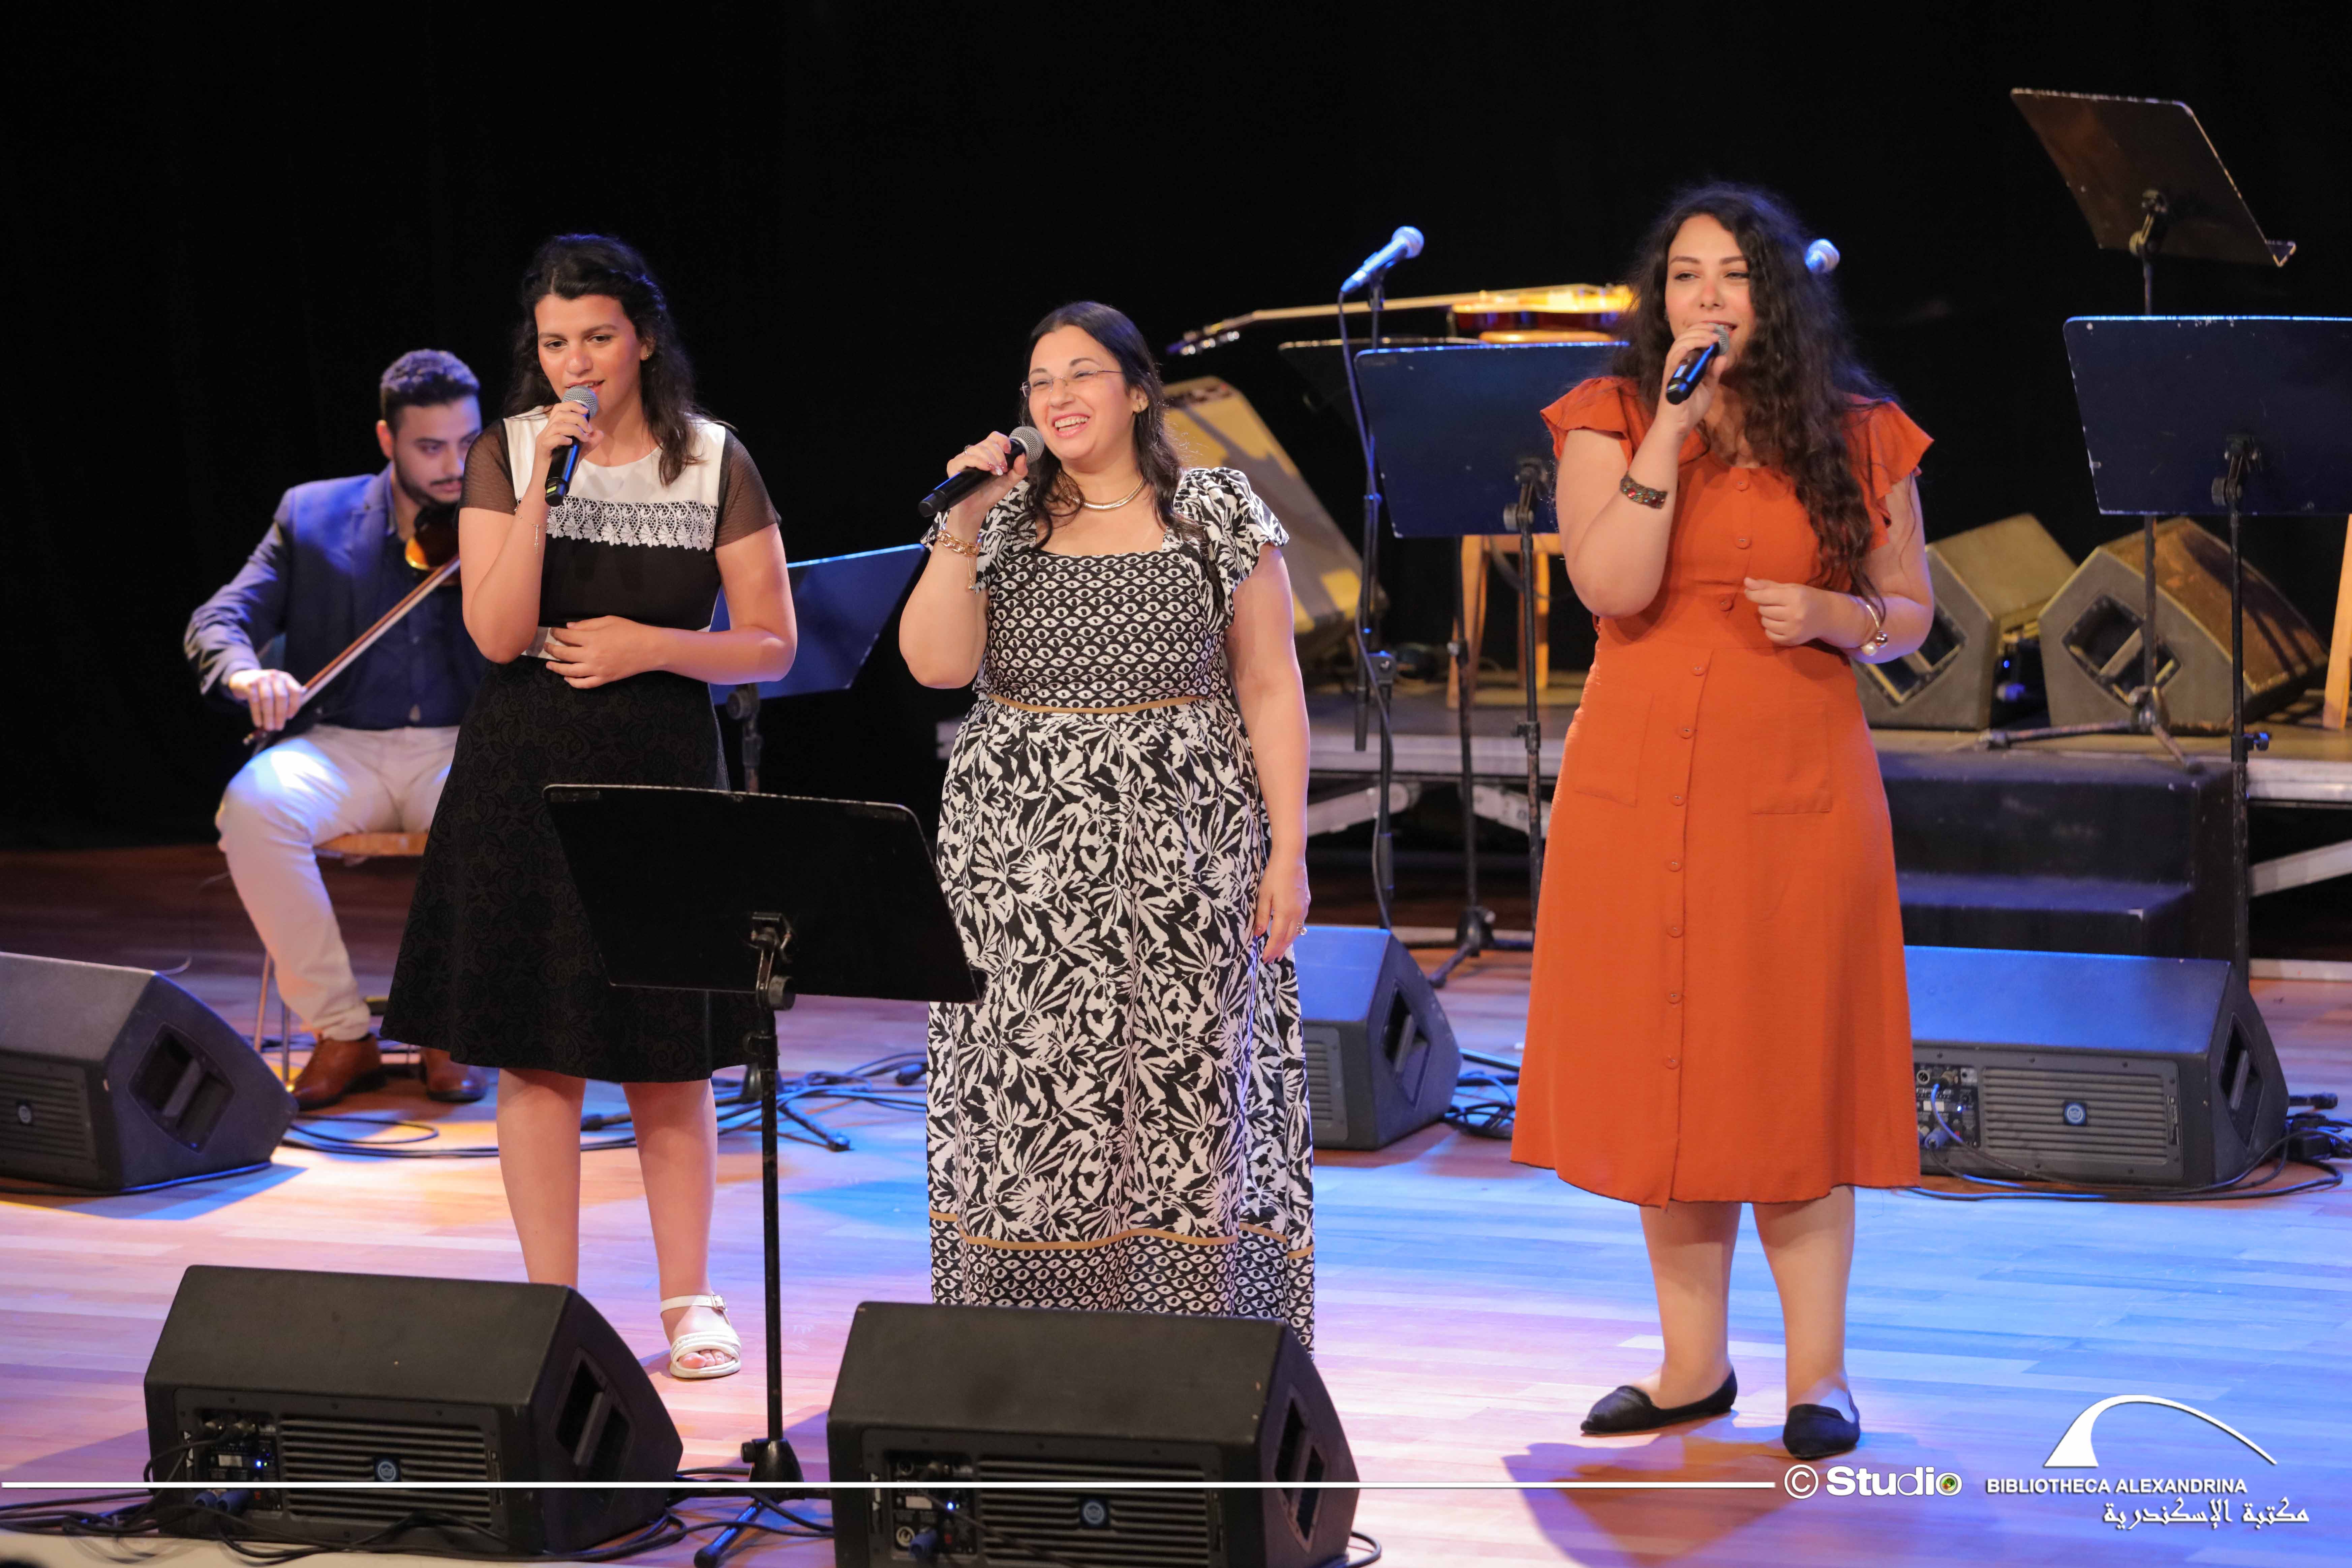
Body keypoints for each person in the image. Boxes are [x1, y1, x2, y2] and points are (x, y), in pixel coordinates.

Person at [1511, 185, 1935, 1460]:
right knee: (1673, 1069)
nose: (1706, 296)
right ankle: (1691, 1366)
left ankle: (1821, 1374)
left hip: (1795, 787)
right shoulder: (1613, 416)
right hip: (1641, 781)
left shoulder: (1859, 432)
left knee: (1794, 1068)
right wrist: (1670, 431)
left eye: (1733, 275)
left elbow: (1912, 608)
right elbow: (1611, 584)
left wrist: (1844, 618)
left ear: (1775, 295)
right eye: (1685, 275)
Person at [383, 236, 796, 1380]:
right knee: (537, 1050)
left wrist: (647, 646)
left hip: (663, 759)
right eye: (556, 342)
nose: (577, 361)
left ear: (643, 340)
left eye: (599, 337)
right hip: (526, 765)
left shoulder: (713, 458)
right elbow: (497, 633)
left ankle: (690, 1300)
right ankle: (550, 1307)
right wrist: (537, 489)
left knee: (668, 1050)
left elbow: (771, 640)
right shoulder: (508, 451)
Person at [901, 301, 1317, 1345]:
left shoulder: (1217, 509)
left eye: (1082, 373)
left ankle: (1189, 1347)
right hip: (1019, 857)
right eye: (1040, 380)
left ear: (1135, 392)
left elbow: (1271, 684)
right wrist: (959, 523)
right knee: (1033, 1092)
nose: (1059, 395)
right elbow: (935, 665)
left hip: (1187, 848)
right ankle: (1029, 1354)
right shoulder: (996, 517)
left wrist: (1290, 851)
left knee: (1186, 1088)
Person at [187, 350, 491, 1109]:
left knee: (496, 812)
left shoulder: (503, 520)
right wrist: (245, 674)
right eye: (431, 447)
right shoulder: (312, 515)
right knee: (255, 806)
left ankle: (451, 1024)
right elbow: (222, 618)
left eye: (468, 443)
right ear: (388, 440)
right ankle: (341, 1031)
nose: (455, 466)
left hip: (463, 744)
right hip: (341, 744)